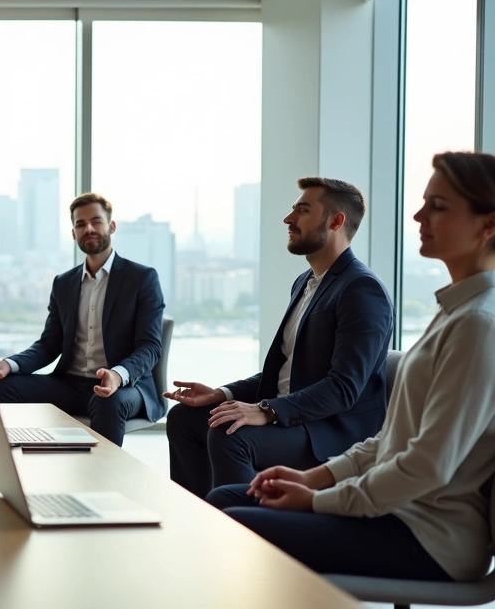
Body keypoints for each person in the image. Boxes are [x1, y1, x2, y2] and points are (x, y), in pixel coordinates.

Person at [207, 152, 495, 583]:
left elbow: (427, 466)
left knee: (235, 526)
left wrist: (316, 500)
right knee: (224, 500)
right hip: (397, 510)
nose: (418, 215)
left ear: (488, 224)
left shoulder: (477, 324)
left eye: (437, 206)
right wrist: (312, 478)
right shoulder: (455, 312)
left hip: (428, 534)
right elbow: (392, 440)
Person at [165, 177, 393, 499]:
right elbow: (288, 372)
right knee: (185, 418)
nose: (288, 219)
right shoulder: (305, 282)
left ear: (335, 222)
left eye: (303, 210)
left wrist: (267, 410)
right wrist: (222, 394)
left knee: (230, 433)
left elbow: (343, 388)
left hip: (330, 431)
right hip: (295, 418)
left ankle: (245, 524)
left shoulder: (361, 289)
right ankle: (199, 517)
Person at [0, 193, 165, 447]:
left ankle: (102, 471)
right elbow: (49, 344)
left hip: (124, 388)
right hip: (71, 385)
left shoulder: (142, 278)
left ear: (111, 226)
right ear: (73, 233)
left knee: (107, 400)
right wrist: (8, 365)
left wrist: (117, 375)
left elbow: (150, 347)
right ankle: (16, 462)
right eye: (80, 224)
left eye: (96, 221)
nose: (88, 229)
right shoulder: (64, 283)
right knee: (5, 385)